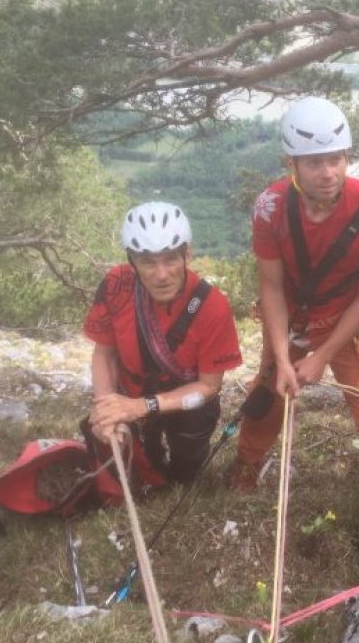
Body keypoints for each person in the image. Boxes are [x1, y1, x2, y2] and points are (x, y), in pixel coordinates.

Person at [227, 96, 359, 574]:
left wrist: (322, 355)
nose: (328, 172)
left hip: (348, 327)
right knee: (268, 397)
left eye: (336, 159)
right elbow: (270, 285)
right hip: (290, 319)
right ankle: (246, 466)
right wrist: (282, 355)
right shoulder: (271, 207)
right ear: (292, 163)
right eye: (314, 162)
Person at [84, 201, 243, 486]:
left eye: (170, 259)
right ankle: (151, 463)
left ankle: (183, 470)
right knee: (142, 469)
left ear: (187, 254)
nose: (161, 274)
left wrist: (141, 407)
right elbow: (104, 354)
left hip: (187, 398)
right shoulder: (116, 286)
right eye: (148, 262)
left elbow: (209, 386)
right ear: (132, 262)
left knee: (186, 468)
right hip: (130, 390)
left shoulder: (212, 306)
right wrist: (108, 408)